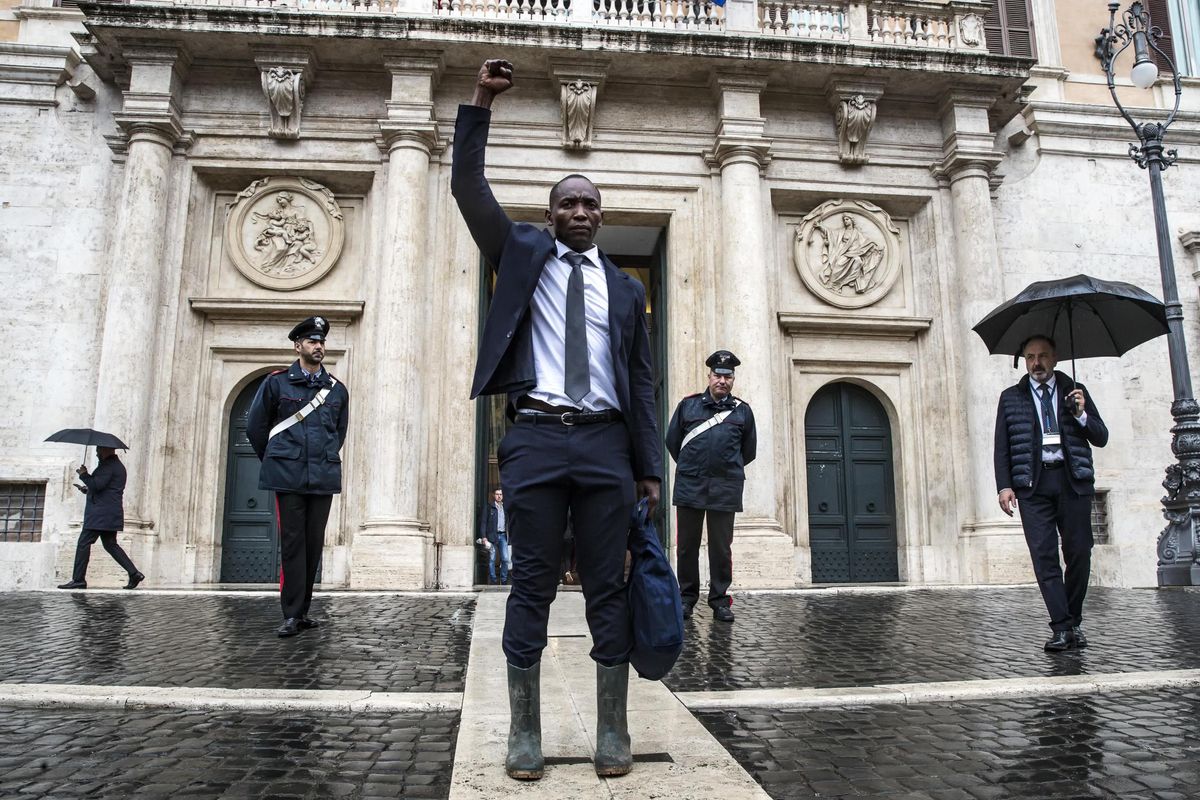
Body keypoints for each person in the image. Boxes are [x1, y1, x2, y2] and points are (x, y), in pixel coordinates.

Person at [452, 58, 662, 781]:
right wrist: (481, 101)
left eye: (589, 204)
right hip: (536, 436)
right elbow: (468, 188)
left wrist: (647, 467)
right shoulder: (522, 254)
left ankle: (612, 728)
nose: (579, 212)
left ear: (601, 215)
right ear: (550, 216)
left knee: (608, 585)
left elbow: (641, 380)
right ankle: (524, 731)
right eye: (567, 203)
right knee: (532, 584)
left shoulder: (626, 290)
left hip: (605, 444)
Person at [994, 335, 1108, 652]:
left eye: (1042, 356)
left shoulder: (1076, 393)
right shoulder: (1010, 398)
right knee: (1044, 558)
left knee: (1079, 553)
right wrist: (1004, 485)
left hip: (1072, 482)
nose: (1037, 363)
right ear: (1024, 361)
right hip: (1033, 486)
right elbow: (1001, 446)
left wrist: (1081, 414)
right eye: (1030, 357)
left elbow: (1101, 437)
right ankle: (1061, 627)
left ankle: (1074, 620)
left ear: (1055, 358)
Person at [246, 316, 349, 639]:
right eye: (312, 342)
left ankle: (303, 611)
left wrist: (321, 457)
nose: (318, 347)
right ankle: (291, 614)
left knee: (313, 545)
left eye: (321, 342)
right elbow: (255, 427)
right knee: (292, 545)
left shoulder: (337, 390)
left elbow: (339, 432)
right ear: (298, 346)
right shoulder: (276, 384)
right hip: (287, 475)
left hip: (322, 476)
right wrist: (277, 459)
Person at [665, 350, 757, 623]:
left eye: (728, 376)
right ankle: (686, 598)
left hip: (725, 487)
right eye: (718, 375)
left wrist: (725, 469)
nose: (722, 381)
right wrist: (693, 468)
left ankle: (719, 600)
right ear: (709, 376)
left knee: (721, 547)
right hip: (690, 485)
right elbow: (673, 442)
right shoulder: (688, 406)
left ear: (733, 380)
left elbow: (748, 451)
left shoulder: (743, 411)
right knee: (686, 546)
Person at [57, 446, 144, 590]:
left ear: (106, 450)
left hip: (100, 514)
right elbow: (105, 488)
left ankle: (78, 579)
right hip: (109, 512)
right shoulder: (116, 466)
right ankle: (134, 573)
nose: (97, 454)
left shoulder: (108, 466)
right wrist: (86, 489)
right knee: (110, 544)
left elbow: (97, 485)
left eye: (98, 451)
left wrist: (84, 475)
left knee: (84, 543)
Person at [478, 488, 511, 585]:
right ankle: (493, 580)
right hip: (492, 536)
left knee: (505, 559)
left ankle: (504, 580)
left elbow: (509, 522)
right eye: (497, 494)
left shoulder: (505, 508)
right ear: (494, 495)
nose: (499, 496)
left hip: (503, 536)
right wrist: (484, 536)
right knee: (492, 559)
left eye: (501, 494)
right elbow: (483, 522)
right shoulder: (489, 507)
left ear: (503, 496)